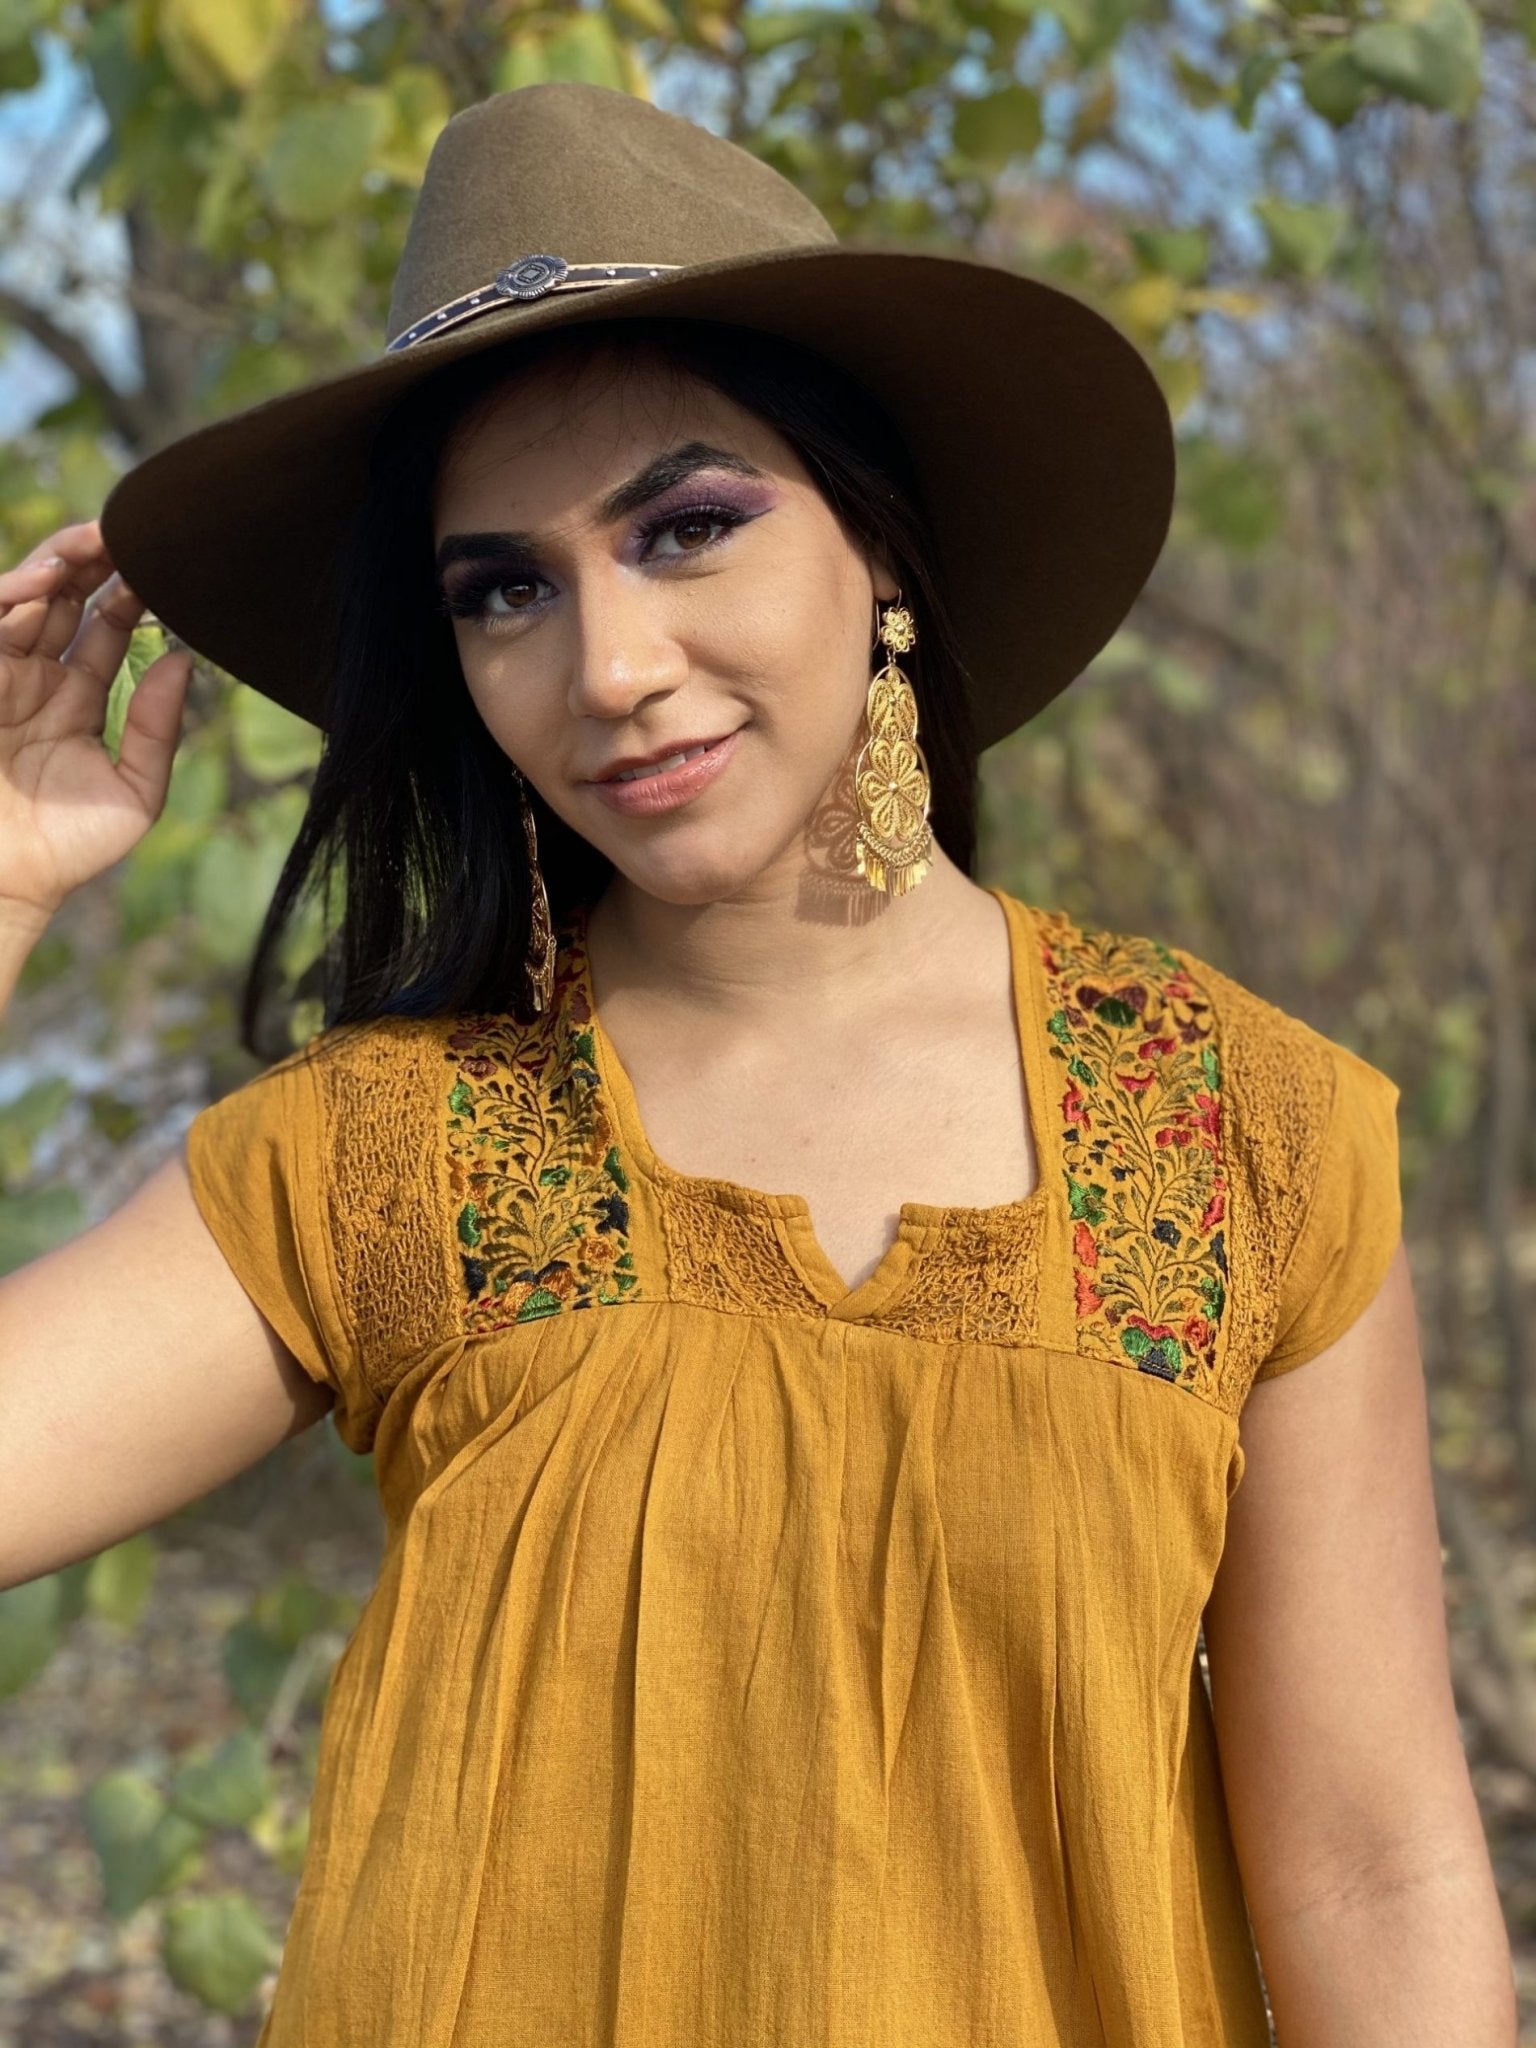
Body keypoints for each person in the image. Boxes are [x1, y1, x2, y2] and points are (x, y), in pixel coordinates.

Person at [0, 80, 1513, 2048]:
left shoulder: (1242, 1132)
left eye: (689, 527)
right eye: (507, 589)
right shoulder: (390, 1159)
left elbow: (1375, 1863)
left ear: (881, 547)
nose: (609, 663)